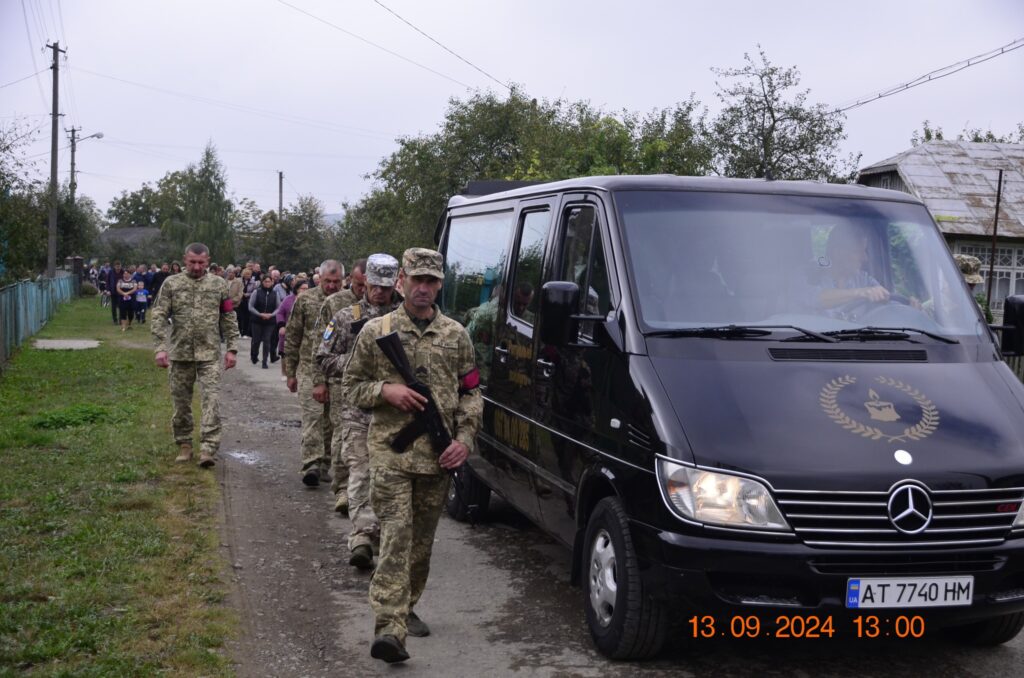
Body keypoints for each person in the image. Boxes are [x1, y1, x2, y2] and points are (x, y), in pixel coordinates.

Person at [342, 248, 482, 663]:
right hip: (390, 455)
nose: (423, 289)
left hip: (438, 461)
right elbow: (350, 386)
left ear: (440, 284)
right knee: (396, 537)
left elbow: (471, 392)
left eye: (431, 281)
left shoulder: (456, 334)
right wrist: (386, 391)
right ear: (401, 280)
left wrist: (465, 440)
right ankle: (389, 628)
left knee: (420, 546)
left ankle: (406, 604)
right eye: (416, 280)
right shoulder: (376, 331)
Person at [316, 254, 401, 565]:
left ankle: (388, 535)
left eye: (386, 287)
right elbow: (323, 356)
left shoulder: (406, 316)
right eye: (374, 286)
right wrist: (355, 366)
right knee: (361, 472)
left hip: (396, 412)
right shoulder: (346, 316)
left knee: (391, 477)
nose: (380, 292)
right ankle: (362, 536)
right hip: (358, 410)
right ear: (365, 284)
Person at [150, 242, 239, 467]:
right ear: (184, 260)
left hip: (209, 354)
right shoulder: (172, 284)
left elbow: (228, 317)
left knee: (212, 401)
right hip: (180, 354)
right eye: (192, 262)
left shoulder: (219, 285)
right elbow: (159, 315)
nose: (197, 267)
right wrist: (160, 348)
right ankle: (184, 444)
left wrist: (232, 348)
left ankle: (208, 448)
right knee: (181, 403)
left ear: (208, 261)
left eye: (201, 262)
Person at [284, 260, 345, 487]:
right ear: (319, 277)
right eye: (327, 281)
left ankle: (325, 463)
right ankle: (311, 464)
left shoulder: (348, 303)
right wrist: (290, 372)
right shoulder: (306, 300)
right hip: (309, 369)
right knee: (313, 417)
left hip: (337, 371)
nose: (331, 286)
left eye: (336, 281)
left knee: (331, 420)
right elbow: (292, 336)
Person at [815, 223, 889, 316]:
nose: (865, 258)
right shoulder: (811, 277)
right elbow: (814, 299)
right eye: (857, 251)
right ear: (837, 253)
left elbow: (886, 301)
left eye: (864, 251)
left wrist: (909, 306)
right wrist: (860, 292)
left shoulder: (864, 280)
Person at [277, 276, 308, 374]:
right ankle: (284, 372)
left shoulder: (311, 301)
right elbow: (280, 313)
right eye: (303, 289)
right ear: (297, 289)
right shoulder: (288, 300)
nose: (305, 291)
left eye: (307, 289)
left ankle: (298, 373)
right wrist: (281, 326)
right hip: (288, 331)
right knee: (285, 353)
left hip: (304, 332)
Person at [248, 273, 280, 368]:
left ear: (272, 283)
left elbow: (278, 307)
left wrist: (271, 315)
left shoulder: (275, 294)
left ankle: (264, 361)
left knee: (267, 340)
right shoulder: (256, 292)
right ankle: (254, 355)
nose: (267, 283)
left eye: (269, 281)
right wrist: (259, 314)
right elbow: (250, 306)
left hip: (270, 321)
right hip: (257, 320)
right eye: (265, 281)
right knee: (256, 340)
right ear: (262, 282)